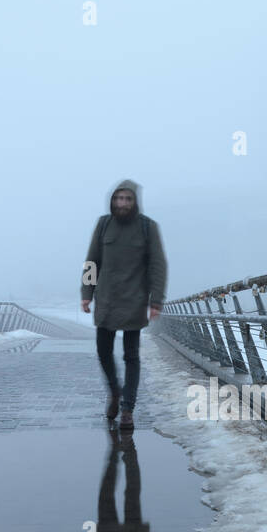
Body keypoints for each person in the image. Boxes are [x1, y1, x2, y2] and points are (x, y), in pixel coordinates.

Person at [80, 179, 168, 429]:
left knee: (131, 356)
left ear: (135, 201)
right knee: (103, 352)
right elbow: (92, 261)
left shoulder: (147, 227)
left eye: (127, 199)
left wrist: (156, 300)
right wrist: (87, 292)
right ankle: (114, 392)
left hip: (134, 300)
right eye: (119, 199)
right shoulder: (104, 224)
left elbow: (157, 266)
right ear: (112, 200)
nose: (123, 203)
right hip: (106, 299)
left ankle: (128, 408)